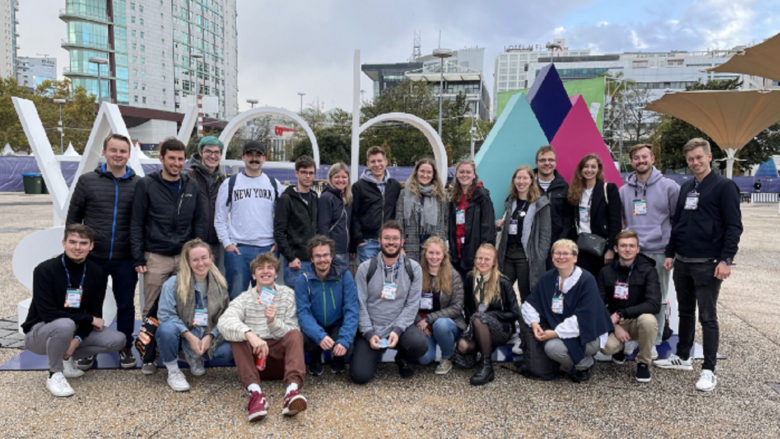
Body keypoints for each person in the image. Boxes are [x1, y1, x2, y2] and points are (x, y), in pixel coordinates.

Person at [655, 138, 743, 392]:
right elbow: (678, 224)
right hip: (683, 261)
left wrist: (726, 260)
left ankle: (709, 369)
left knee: (707, 317)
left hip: (708, 263)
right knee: (684, 312)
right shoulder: (686, 188)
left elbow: (734, 226)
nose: (695, 162)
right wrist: (671, 253)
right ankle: (683, 356)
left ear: (709, 156)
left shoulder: (725, 187)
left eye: (699, 158)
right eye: (691, 159)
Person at [22, 224, 126, 397]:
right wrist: (88, 319)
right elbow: (47, 313)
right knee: (65, 325)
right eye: (73, 242)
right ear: (64, 243)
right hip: (40, 333)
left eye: (83, 243)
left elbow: (95, 314)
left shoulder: (97, 273)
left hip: (72, 331)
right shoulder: (44, 270)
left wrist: (76, 340)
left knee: (117, 340)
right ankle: (54, 373)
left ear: (91, 246)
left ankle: (68, 358)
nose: (77, 247)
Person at [131, 137, 205, 373]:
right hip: (156, 255)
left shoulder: (190, 184)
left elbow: (198, 221)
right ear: (161, 158)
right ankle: (149, 355)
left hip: (184, 257)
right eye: (171, 158)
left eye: (180, 159)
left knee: (187, 305)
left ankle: (186, 351)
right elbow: (136, 222)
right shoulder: (146, 184)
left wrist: (196, 254)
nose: (176, 163)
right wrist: (138, 257)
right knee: (151, 307)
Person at [66, 133, 138, 369]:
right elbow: (74, 215)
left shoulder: (138, 184)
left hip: (124, 257)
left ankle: (125, 345)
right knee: (90, 305)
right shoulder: (88, 181)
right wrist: (73, 246)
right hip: (94, 257)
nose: (118, 155)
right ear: (105, 152)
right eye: (114, 150)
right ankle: (89, 347)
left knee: (126, 304)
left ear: (129, 154)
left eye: (123, 151)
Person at [217, 252, 308, 421]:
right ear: (253, 275)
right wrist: (249, 334)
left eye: (270, 268)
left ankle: (291, 392)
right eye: (260, 268)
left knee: (295, 334)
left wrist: (272, 322)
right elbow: (224, 321)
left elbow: (293, 328)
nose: (265, 272)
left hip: (282, 361)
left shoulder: (287, 294)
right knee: (237, 337)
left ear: (275, 273)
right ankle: (256, 394)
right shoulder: (244, 298)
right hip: (256, 363)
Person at [521, 239, 613, 382]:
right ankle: (582, 364)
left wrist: (556, 333)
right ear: (552, 257)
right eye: (557, 253)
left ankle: (578, 365)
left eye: (566, 253)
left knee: (556, 348)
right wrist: (534, 324)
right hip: (560, 332)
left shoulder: (586, 280)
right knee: (552, 347)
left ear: (575, 258)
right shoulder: (548, 278)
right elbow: (530, 304)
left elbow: (584, 318)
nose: (561, 257)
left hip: (586, 334)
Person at [619, 143, 679, 358]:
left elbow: (676, 220)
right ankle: (633, 337)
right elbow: (623, 221)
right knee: (632, 296)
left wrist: (671, 252)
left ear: (652, 158)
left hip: (660, 250)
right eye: (636, 158)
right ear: (632, 161)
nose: (641, 161)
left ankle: (654, 340)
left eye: (644, 157)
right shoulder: (623, 191)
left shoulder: (670, 187)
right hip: (633, 254)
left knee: (659, 298)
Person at [350, 221, 427, 384]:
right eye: (387, 238)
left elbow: (412, 305)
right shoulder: (365, 268)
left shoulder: (413, 269)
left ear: (402, 242)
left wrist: (398, 330)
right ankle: (372, 354)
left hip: (400, 326)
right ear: (379, 240)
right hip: (372, 327)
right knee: (359, 376)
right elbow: (360, 304)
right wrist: (369, 333)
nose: (391, 242)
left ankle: (402, 357)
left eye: (395, 238)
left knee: (419, 345)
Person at [156, 239, 232, 392]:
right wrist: (190, 337)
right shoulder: (173, 283)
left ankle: (196, 357)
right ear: (188, 262)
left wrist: (210, 336)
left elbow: (226, 316)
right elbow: (165, 315)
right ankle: (173, 371)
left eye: (204, 258)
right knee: (166, 330)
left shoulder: (220, 283)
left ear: (211, 258)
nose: (201, 263)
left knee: (229, 352)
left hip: (206, 334)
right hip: (182, 336)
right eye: (195, 259)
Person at [214, 140, 283, 299]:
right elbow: (220, 217)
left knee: (266, 298)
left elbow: (282, 218)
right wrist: (227, 244)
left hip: (267, 248)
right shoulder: (230, 183)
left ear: (264, 159)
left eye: (258, 155)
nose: (254, 159)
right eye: (250, 155)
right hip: (239, 248)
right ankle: (234, 325)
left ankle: (264, 324)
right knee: (236, 296)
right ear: (243, 157)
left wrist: (278, 242)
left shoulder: (274, 184)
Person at [597, 230, 660, 383]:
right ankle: (619, 350)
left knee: (649, 320)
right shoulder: (606, 272)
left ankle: (643, 363)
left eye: (632, 246)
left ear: (638, 249)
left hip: (637, 320)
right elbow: (598, 304)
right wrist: (615, 326)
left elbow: (654, 304)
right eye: (623, 246)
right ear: (616, 249)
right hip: (616, 321)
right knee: (606, 347)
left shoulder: (648, 270)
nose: (627, 249)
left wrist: (621, 313)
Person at [452, 243, 519, 385]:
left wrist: (491, 316)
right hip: (477, 327)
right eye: (479, 258)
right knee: (463, 346)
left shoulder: (503, 282)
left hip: (501, 328)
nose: (482, 262)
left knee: (479, 317)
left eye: (487, 259)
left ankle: (487, 367)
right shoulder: (470, 279)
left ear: (494, 262)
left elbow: (515, 313)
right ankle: (486, 349)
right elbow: (467, 308)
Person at [294, 235, 359, 376]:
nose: (322, 259)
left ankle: (338, 357)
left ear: (332, 256)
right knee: (303, 338)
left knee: (349, 345)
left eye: (325, 255)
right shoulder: (303, 279)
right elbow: (303, 313)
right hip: (315, 323)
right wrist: (319, 336)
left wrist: (344, 340)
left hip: (337, 323)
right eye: (317, 256)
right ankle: (315, 358)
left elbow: (351, 309)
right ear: (311, 258)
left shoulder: (344, 275)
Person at [496, 165, 551, 301]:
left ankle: (527, 322)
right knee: (502, 292)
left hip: (526, 256)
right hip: (508, 254)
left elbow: (545, 234)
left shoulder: (541, 204)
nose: (521, 181)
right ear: (514, 180)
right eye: (518, 178)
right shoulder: (511, 201)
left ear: (532, 181)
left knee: (527, 294)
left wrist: (539, 255)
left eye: (525, 178)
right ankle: (507, 321)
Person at [414, 236, 465, 375]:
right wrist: (419, 322)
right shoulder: (417, 273)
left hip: (447, 324)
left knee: (441, 325)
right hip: (423, 325)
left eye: (438, 253)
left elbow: (457, 306)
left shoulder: (453, 275)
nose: (434, 257)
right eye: (431, 253)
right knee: (424, 359)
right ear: (425, 254)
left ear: (444, 255)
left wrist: (430, 319)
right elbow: (409, 303)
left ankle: (447, 357)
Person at [566, 154, 622, 277]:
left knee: (601, 285)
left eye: (593, 167)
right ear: (580, 170)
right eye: (586, 166)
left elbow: (616, 222)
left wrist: (611, 249)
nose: (589, 170)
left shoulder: (609, 189)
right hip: (580, 247)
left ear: (598, 169)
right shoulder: (574, 191)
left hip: (601, 248)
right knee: (582, 283)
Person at [350, 145, 402, 263]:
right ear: (368, 164)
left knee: (389, 278)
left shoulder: (394, 186)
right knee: (369, 278)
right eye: (373, 161)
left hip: (389, 241)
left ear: (386, 162)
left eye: (380, 161)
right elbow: (354, 214)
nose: (377, 164)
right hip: (368, 242)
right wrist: (358, 240)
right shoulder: (359, 187)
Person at [275, 155, 318, 287]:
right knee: (294, 302)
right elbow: (279, 232)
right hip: (296, 262)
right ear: (296, 173)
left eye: (311, 173)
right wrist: (291, 258)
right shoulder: (286, 199)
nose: (307, 176)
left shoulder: (314, 197)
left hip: (313, 260)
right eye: (304, 172)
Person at [448, 159, 496, 278]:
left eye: (468, 172)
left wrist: (484, 255)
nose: (465, 175)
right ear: (457, 174)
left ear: (474, 175)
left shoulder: (482, 196)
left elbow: (488, 227)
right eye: (462, 172)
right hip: (457, 254)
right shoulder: (453, 198)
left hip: (475, 255)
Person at [184, 136, 226, 271]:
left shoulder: (223, 180)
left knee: (214, 281)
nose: (212, 156)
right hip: (193, 241)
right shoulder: (188, 176)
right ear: (201, 153)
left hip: (215, 241)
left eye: (216, 152)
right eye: (208, 151)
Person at [396, 157, 448, 262]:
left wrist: (441, 244)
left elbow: (445, 221)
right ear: (416, 172)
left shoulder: (441, 195)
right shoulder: (405, 193)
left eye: (429, 172)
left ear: (433, 174)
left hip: (433, 246)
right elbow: (399, 219)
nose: (425, 175)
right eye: (422, 171)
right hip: (410, 244)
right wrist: (400, 246)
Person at [534, 145, 573, 267]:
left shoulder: (564, 187)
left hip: (556, 245)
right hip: (533, 245)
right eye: (543, 160)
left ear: (555, 163)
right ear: (537, 163)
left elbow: (568, 218)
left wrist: (561, 242)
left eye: (550, 160)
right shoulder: (528, 185)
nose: (547, 163)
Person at [317, 162, 352, 275]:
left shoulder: (346, 198)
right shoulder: (327, 197)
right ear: (331, 179)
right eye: (337, 177)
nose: (340, 180)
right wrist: (327, 251)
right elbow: (323, 226)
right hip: (333, 252)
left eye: (344, 177)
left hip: (344, 251)